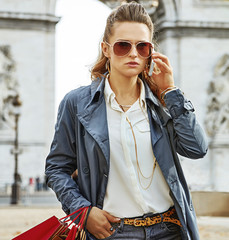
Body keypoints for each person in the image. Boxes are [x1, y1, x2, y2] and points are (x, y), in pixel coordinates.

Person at [45, 2, 208, 240]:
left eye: (142, 47)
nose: (133, 53)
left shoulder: (163, 104)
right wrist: (82, 210)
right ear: (106, 49)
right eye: (123, 45)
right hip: (112, 233)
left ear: (151, 52)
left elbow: (197, 149)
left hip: (170, 230)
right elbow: (56, 168)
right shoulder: (76, 103)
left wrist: (171, 92)